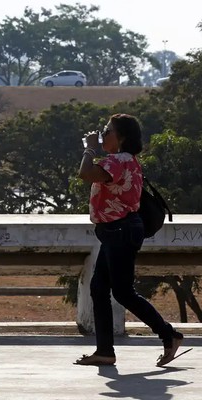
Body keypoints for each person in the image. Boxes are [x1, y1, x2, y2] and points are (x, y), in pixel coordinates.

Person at [74, 113, 183, 367]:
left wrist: (89, 149)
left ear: (121, 138)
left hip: (120, 231)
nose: (103, 134)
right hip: (117, 231)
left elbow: (85, 173)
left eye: (108, 131)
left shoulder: (117, 161)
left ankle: (169, 334)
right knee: (99, 289)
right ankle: (104, 351)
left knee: (122, 292)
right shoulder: (127, 160)